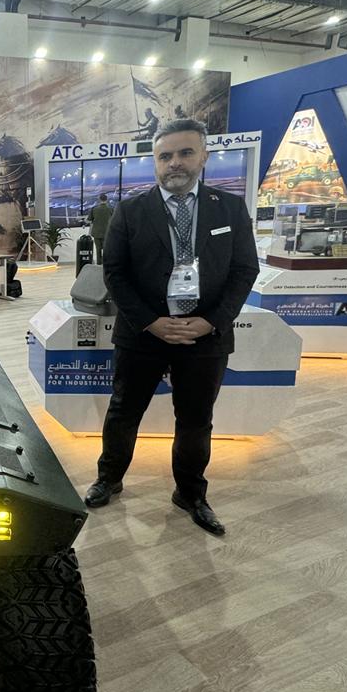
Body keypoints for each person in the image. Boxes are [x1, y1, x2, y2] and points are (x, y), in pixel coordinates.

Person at [83, 118, 259, 536]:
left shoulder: (229, 208)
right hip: (143, 334)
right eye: (165, 156)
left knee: (196, 420)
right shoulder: (131, 210)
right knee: (124, 412)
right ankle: (109, 478)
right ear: (155, 163)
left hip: (205, 336)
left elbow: (244, 270)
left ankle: (191, 493)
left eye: (185, 153)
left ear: (203, 157)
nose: (175, 163)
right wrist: (151, 322)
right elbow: (115, 273)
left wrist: (211, 322)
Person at [88, 193, 113, 261]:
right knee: (106, 250)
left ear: (99, 199)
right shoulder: (110, 209)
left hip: (96, 233)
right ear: (106, 200)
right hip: (107, 233)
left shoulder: (94, 209)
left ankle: (99, 263)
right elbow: (115, 219)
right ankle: (106, 263)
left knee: (98, 249)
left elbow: (89, 220)